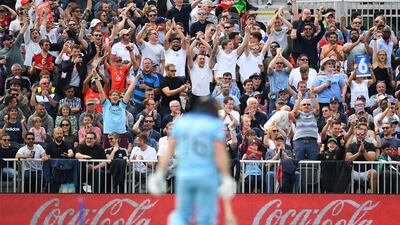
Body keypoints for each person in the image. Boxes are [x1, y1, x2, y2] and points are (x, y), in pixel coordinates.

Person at [148, 96, 236, 225]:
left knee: (181, 215)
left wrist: (159, 173)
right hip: (207, 175)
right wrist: (226, 177)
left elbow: (168, 150)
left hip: (185, 174)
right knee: (205, 218)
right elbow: (220, 154)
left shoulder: (182, 122)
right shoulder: (214, 124)